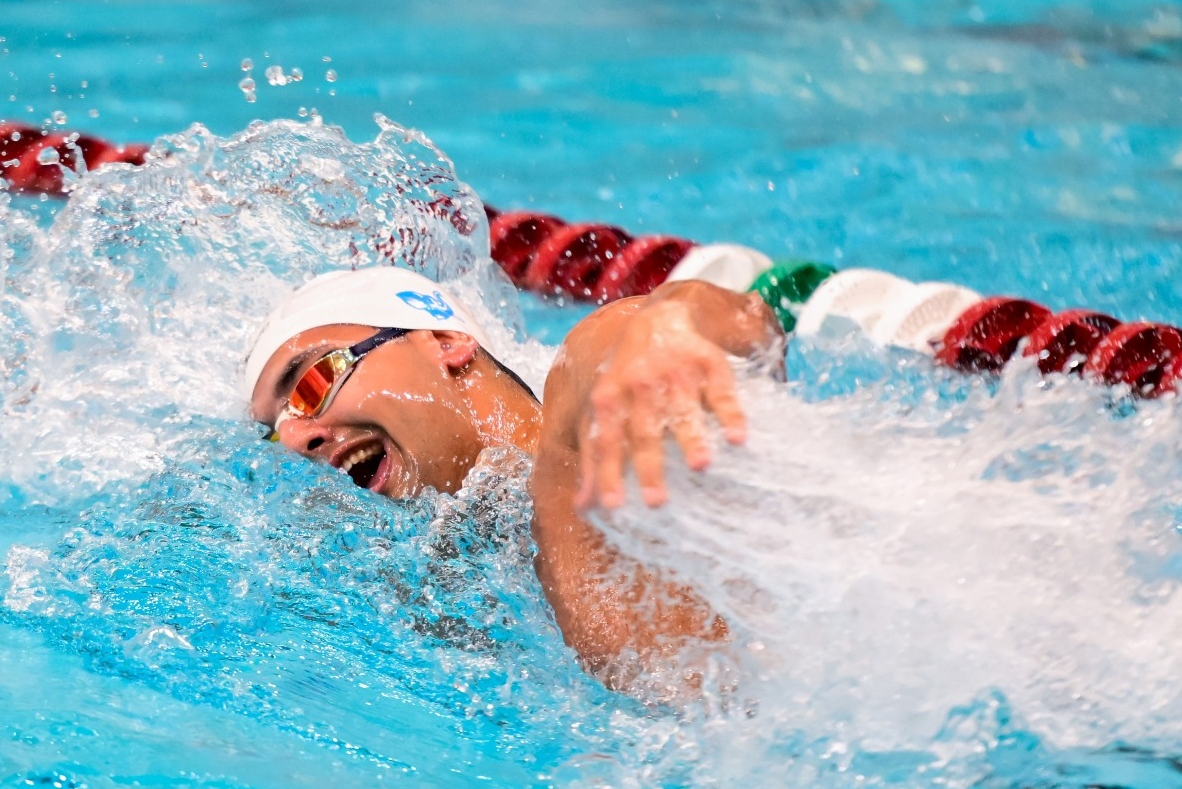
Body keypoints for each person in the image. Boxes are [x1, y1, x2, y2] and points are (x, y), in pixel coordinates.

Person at [241, 265, 785, 696]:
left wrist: (665, 326)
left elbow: (624, 340)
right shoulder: (443, 599)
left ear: (443, 341)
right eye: (276, 432)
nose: (295, 440)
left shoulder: (591, 447)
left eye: (314, 381)